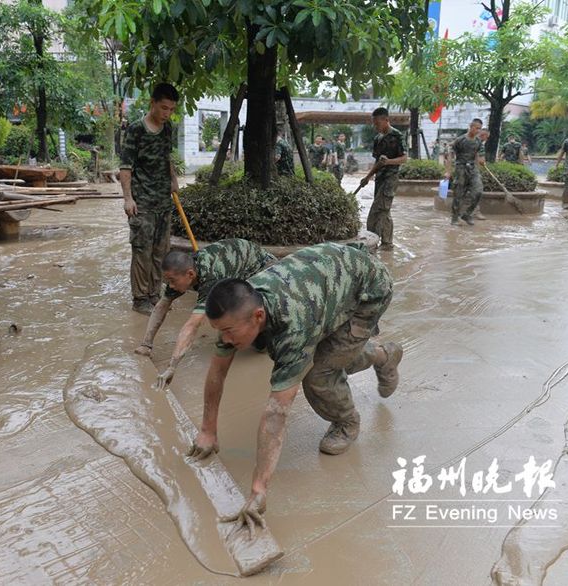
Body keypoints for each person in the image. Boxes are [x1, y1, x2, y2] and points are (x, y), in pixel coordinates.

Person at [188, 243, 403, 533]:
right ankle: (382, 355)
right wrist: (208, 429)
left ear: (258, 317)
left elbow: (277, 412)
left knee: (320, 373)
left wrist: (258, 490)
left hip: (367, 289)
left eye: (228, 332)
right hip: (330, 284)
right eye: (220, 332)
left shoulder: (293, 323)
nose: (224, 339)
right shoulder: (236, 308)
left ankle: (347, 421)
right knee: (337, 357)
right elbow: (217, 371)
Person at [135, 239, 276, 386]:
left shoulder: (210, 276)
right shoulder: (184, 270)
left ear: (190, 274)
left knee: (260, 343)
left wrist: (172, 366)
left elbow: (192, 325)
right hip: (237, 270)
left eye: (172, 281)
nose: (170, 285)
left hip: (265, 269)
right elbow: (162, 305)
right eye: (168, 281)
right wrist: (146, 344)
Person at [120, 83, 180, 315]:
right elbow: (125, 167)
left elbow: (167, 157)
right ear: (152, 103)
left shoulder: (167, 129)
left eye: (171, 109)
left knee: (161, 252)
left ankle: (155, 295)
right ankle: (140, 299)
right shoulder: (135, 130)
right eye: (164, 108)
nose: (167, 114)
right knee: (142, 251)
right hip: (142, 203)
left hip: (163, 201)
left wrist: (173, 180)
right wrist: (128, 198)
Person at [359, 107, 408, 250]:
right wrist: (367, 177)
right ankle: (386, 244)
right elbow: (377, 162)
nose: (375, 126)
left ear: (386, 120)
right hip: (379, 179)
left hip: (391, 178)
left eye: (377, 123)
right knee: (384, 210)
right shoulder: (377, 139)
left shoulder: (397, 135)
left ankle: (374, 241)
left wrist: (388, 162)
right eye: (373, 124)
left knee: (377, 210)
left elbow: (404, 159)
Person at [445, 118, 486, 226]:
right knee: (458, 194)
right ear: (471, 127)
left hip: (473, 169)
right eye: (477, 128)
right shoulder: (460, 140)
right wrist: (448, 171)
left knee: (478, 191)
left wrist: (481, 162)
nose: (478, 131)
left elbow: (480, 156)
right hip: (460, 168)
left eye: (480, 129)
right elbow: (450, 155)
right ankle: (454, 217)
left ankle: (467, 214)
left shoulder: (478, 142)